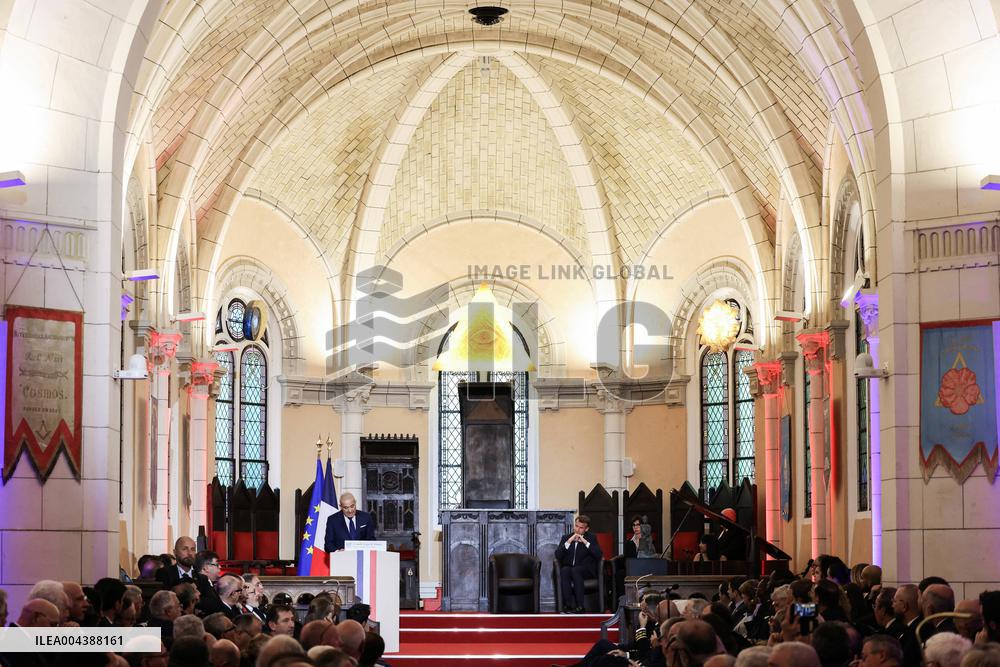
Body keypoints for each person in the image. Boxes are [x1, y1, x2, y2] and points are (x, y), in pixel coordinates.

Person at [555, 514, 603, 613]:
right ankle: (568, 605)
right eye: (576, 526)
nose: (577, 530)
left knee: (576, 570)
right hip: (570, 568)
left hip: (585, 570)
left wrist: (585, 542)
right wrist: (569, 542)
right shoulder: (566, 538)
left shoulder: (591, 538)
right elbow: (558, 555)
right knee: (564, 570)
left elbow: (599, 555)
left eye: (581, 528)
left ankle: (580, 606)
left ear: (586, 529)